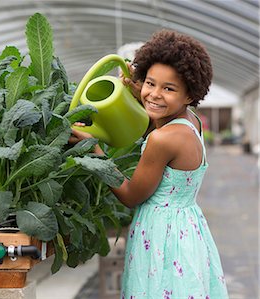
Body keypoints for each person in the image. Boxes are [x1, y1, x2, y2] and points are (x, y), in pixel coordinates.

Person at [70, 30, 229, 298]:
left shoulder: (163, 139)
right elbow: (155, 128)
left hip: (161, 237)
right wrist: (136, 93)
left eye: (168, 88)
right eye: (150, 83)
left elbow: (131, 196)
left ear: (189, 94)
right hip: (187, 229)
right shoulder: (191, 122)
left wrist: (94, 151)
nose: (154, 94)